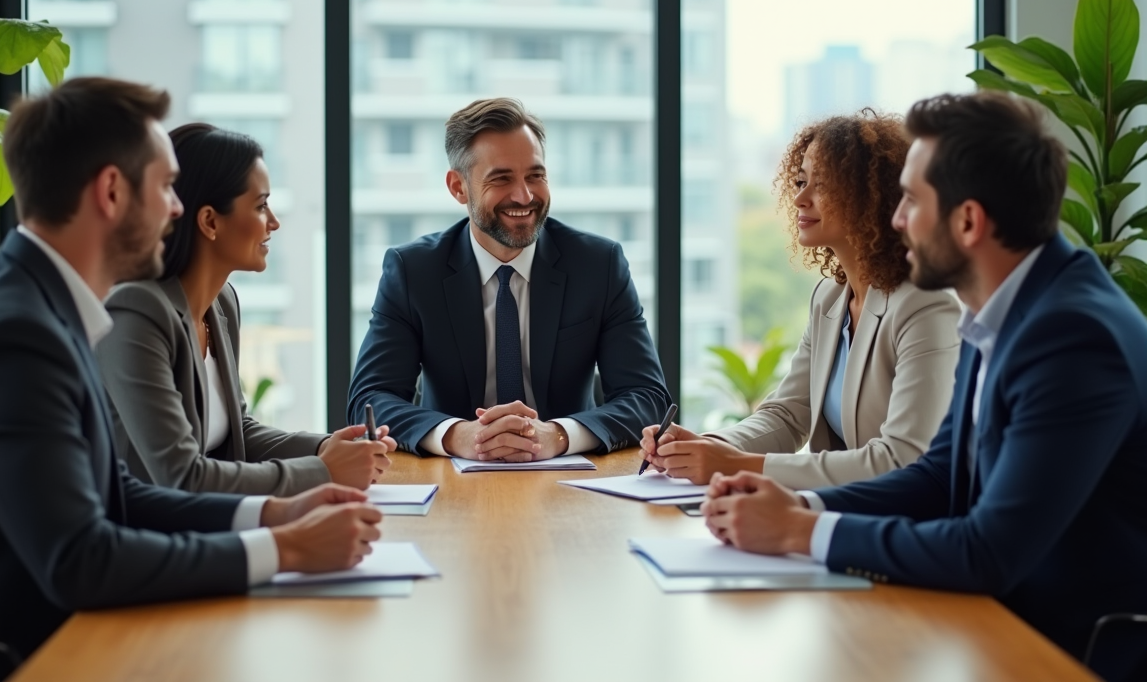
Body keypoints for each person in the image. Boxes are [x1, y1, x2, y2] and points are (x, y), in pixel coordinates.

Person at [700, 92, 1147, 682]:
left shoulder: (1072, 336)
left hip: (1069, 651)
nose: (895, 219)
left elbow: (987, 551)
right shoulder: (1004, 311)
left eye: (911, 200)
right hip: (994, 625)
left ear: (968, 222)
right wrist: (796, 505)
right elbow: (938, 477)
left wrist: (799, 531)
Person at [0, 78, 382, 680]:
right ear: (111, 192)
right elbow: (81, 559)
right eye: (164, 187)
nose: (177, 208)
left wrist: (274, 515)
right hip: (38, 656)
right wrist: (285, 549)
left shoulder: (42, 304)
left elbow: (118, 493)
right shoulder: (17, 334)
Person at [640, 111, 960, 488]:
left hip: (901, 515)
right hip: (837, 507)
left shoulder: (925, 307)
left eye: (822, 185)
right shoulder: (829, 298)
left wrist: (736, 465)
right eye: (801, 181)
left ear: (874, 197)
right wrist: (706, 446)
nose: (799, 199)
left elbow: (902, 459)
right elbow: (788, 416)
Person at [349, 97, 669, 461]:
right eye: (501, 178)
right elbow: (369, 400)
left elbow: (647, 397)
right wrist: (456, 435)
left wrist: (558, 435)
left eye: (535, 176)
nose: (524, 195)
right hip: (450, 480)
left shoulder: (598, 265)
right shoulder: (413, 271)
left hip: (571, 474)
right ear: (458, 187)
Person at [98, 123, 394, 496]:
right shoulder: (135, 314)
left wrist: (328, 447)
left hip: (210, 519)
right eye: (260, 206)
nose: (274, 222)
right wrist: (323, 470)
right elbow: (180, 476)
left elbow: (239, 432)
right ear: (210, 221)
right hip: (146, 526)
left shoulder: (222, 302)